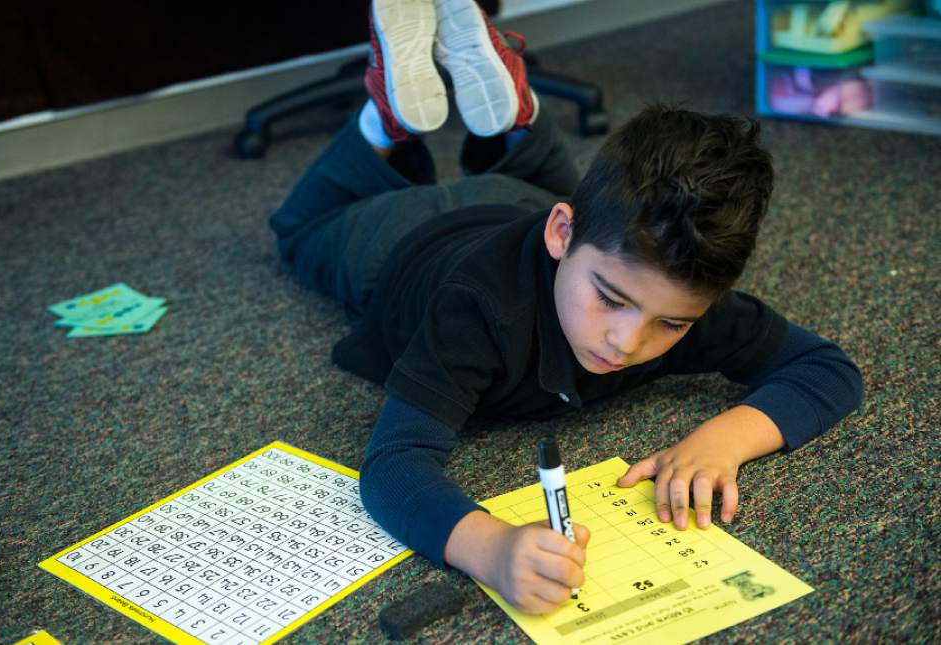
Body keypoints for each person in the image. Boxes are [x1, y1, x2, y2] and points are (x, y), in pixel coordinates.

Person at [269, 0, 863, 615]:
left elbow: (827, 369)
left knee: (575, 195)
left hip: (522, 202)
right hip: (400, 238)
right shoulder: (475, 314)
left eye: (672, 324)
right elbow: (393, 467)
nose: (627, 343)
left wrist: (724, 440)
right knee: (297, 230)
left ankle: (520, 116)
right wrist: (491, 547)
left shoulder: (660, 284)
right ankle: (384, 123)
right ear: (562, 236)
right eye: (610, 299)